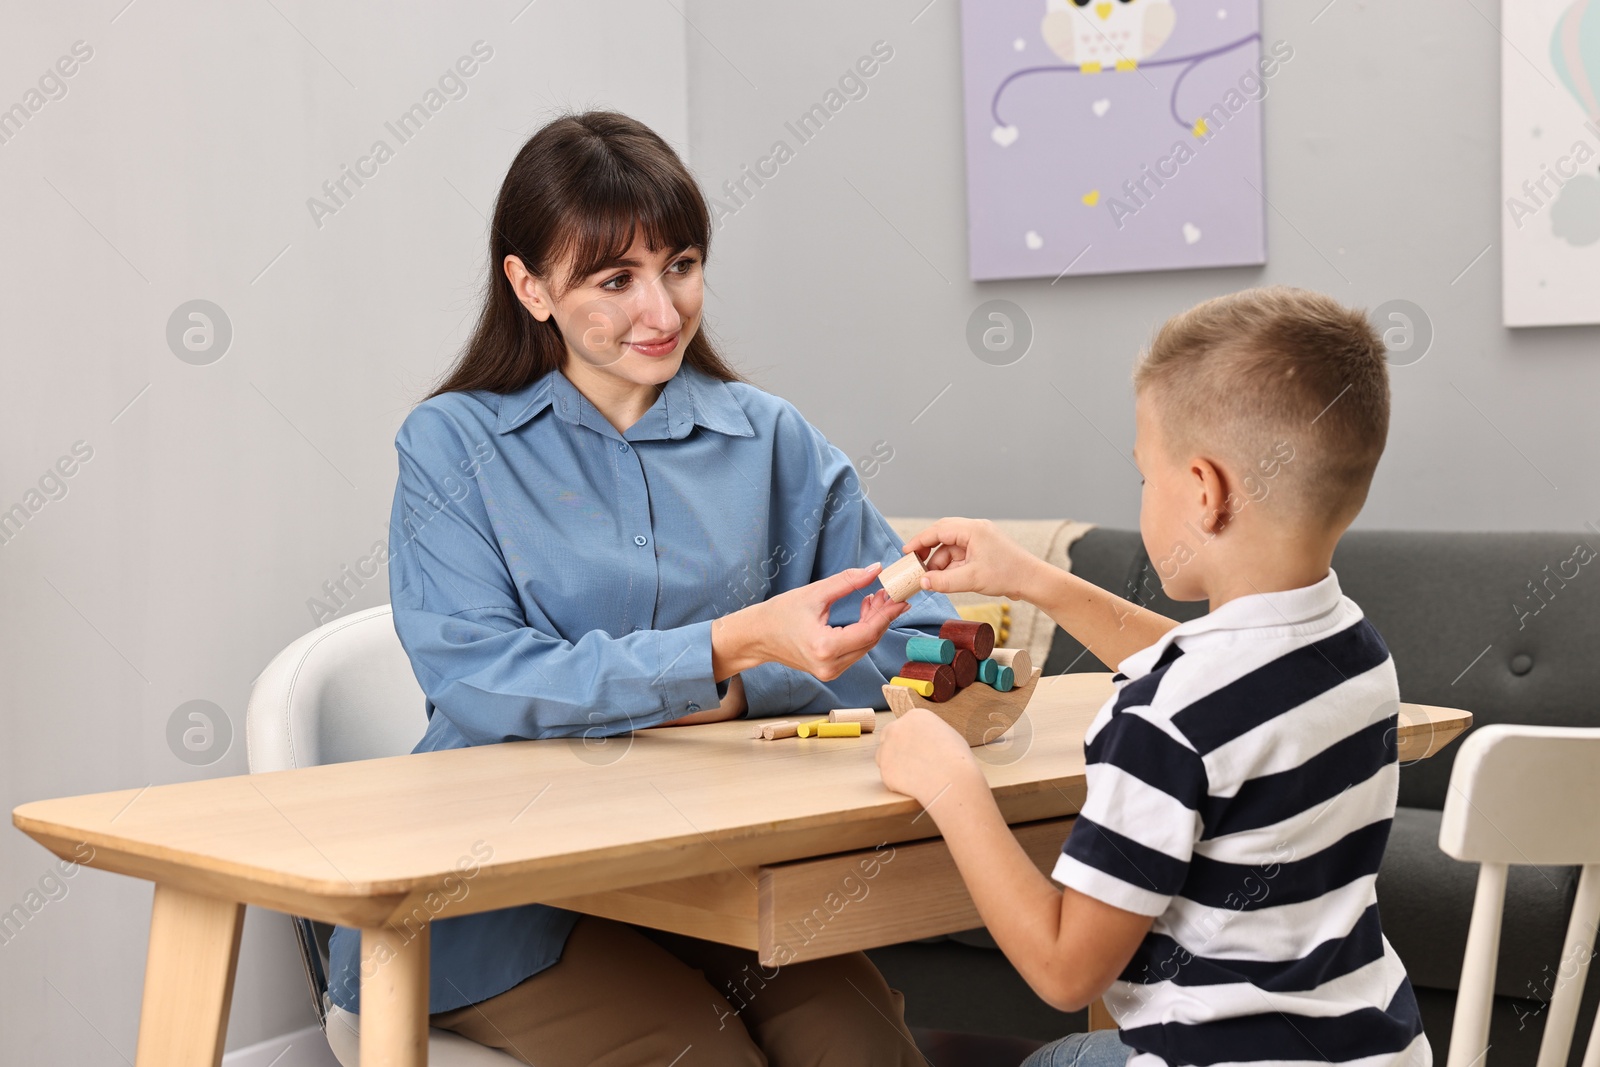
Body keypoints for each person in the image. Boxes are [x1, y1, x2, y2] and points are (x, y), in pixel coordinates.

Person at [323, 110, 948, 1066]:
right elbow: (482, 681)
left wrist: (747, 686)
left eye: (682, 265)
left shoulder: (772, 438)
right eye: (615, 280)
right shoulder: (452, 445)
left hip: (717, 882)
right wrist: (727, 651)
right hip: (503, 901)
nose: (662, 312)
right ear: (529, 286)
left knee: (864, 1052)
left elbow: (914, 644)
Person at [877, 287, 1431, 1067]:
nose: (1143, 494)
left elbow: (1067, 970)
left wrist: (948, 782)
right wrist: (1031, 577)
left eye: (1146, 475)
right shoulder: (1354, 646)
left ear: (1204, 492)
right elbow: (1218, 674)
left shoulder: (1162, 720)